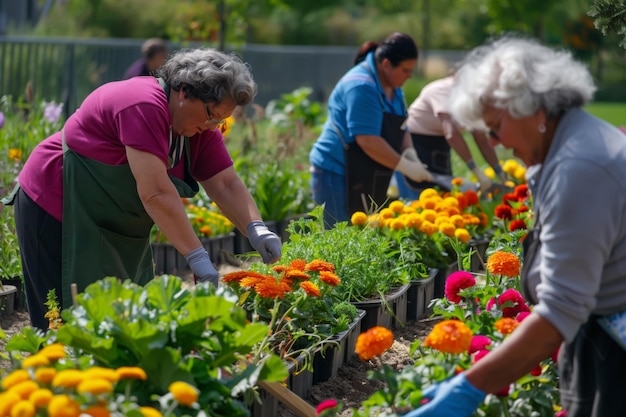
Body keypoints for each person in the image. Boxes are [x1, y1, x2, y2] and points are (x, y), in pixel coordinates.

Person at [406, 36, 626, 417]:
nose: (496, 143)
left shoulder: (580, 168)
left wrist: (470, 386)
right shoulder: (571, 144)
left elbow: (560, 311)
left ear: (534, 111)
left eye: (494, 128)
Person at [5, 48, 282, 330]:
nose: (214, 127)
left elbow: (224, 183)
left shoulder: (198, 126)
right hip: (55, 206)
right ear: (184, 92)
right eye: (212, 116)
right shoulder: (143, 104)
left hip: (106, 221)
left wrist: (256, 228)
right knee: (60, 322)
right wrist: (197, 256)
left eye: (220, 120)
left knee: (122, 322)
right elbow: (156, 193)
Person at [309, 32, 433, 228]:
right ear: (386, 64)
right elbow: (367, 140)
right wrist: (405, 166)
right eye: (405, 70)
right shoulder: (361, 86)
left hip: (361, 170)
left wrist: (411, 154)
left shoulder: (394, 86)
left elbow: (402, 125)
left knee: (360, 240)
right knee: (339, 240)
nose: (410, 75)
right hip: (335, 172)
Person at [394, 75, 508, 199]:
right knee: (419, 196)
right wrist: (477, 172)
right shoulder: (442, 91)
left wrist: (500, 172)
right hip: (414, 146)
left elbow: (482, 140)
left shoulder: (470, 99)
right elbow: (452, 134)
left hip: (439, 147)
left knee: (443, 196)